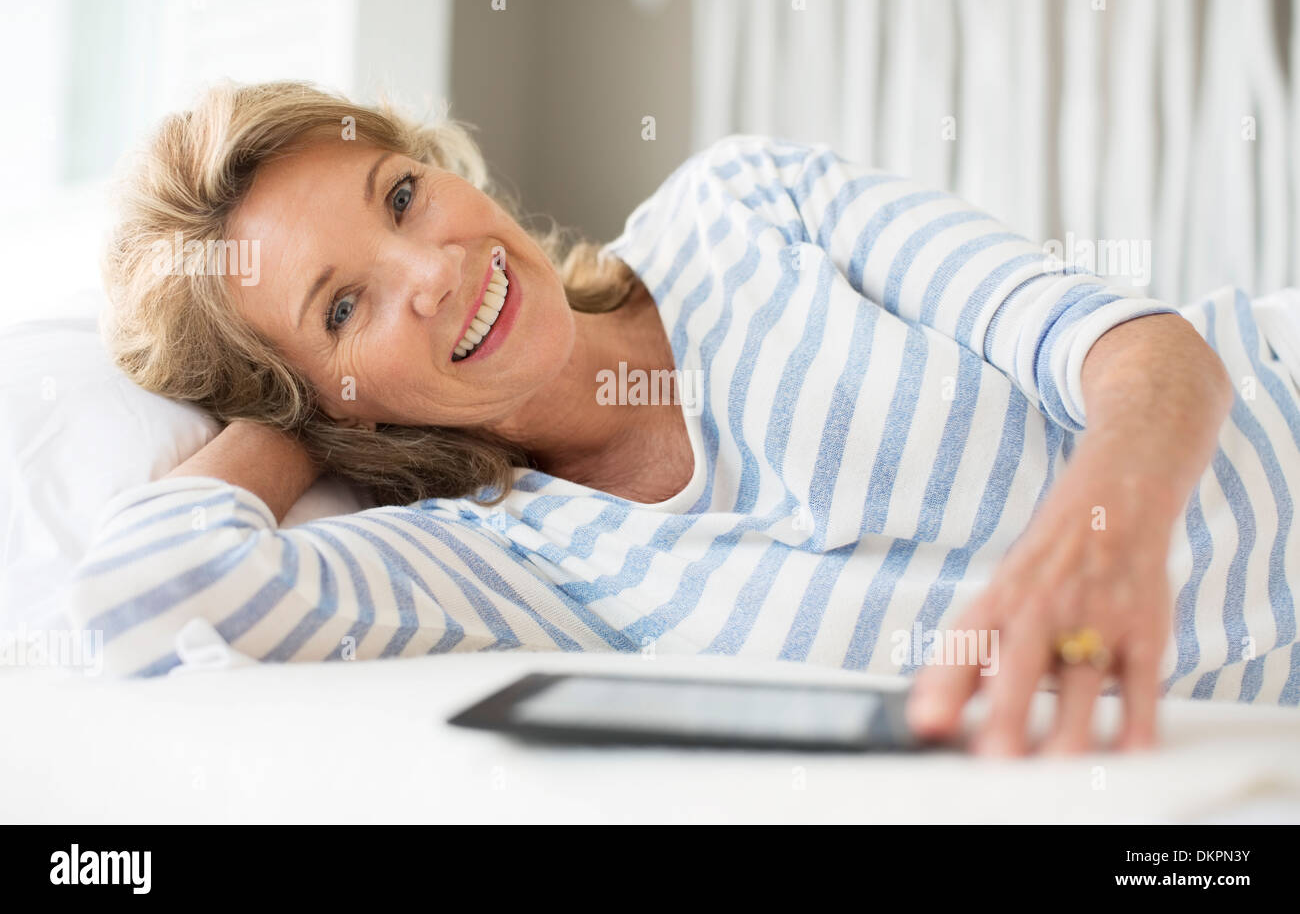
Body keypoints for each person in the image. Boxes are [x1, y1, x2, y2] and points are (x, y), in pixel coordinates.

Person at [68, 80, 1300, 758]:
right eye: (345, 305)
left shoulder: (742, 204)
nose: (431, 269)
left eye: (400, 195)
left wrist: (1108, 527)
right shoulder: (511, 560)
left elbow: (1137, 346)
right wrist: (299, 421)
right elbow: (151, 596)